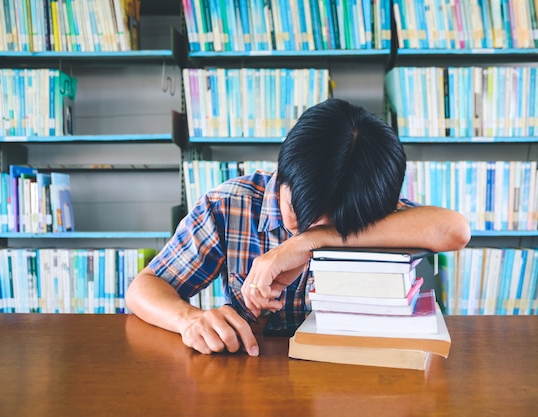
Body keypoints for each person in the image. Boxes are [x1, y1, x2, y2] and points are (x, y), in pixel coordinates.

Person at [125, 98, 470, 357]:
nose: (313, 227)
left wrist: (310, 242)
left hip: (352, 372)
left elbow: (454, 230)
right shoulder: (230, 205)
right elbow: (145, 288)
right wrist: (188, 319)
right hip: (254, 374)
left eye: (337, 225)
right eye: (301, 215)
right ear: (282, 173)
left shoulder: (366, 206)